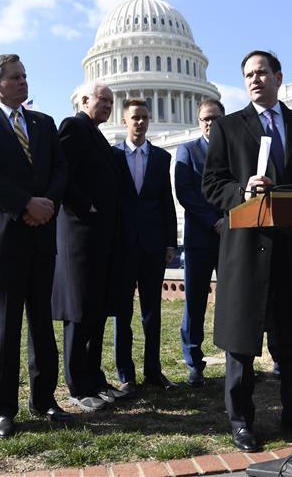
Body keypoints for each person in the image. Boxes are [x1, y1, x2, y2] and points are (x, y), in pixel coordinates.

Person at [203, 50, 292, 453]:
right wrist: (243, 189)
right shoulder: (226, 128)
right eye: (248, 75)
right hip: (247, 249)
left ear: (278, 76)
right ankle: (241, 420)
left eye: (261, 73)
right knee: (241, 343)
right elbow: (212, 185)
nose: (255, 80)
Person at [0, 54, 71, 438]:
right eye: (15, 77)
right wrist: (26, 203)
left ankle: (45, 400)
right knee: (3, 328)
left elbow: (60, 170)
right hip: (3, 238)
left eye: (25, 76)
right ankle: (2, 409)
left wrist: (47, 204)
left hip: (42, 235)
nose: (24, 82)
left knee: (42, 324)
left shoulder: (44, 123)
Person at [52, 82, 126, 412]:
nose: (109, 105)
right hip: (79, 234)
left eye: (111, 101)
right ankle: (76, 386)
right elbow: (61, 175)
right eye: (103, 100)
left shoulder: (97, 134)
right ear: (84, 100)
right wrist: (87, 207)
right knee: (79, 312)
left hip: (101, 236)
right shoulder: (72, 126)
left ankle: (95, 378)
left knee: (96, 311)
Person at [112, 99, 179, 392]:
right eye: (135, 117)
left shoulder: (162, 158)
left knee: (152, 312)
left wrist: (170, 242)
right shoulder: (112, 156)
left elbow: (167, 201)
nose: (140, 122)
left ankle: (153, 370)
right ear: (125, 121)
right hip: (124, 245)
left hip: (153, 244)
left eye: (144, 118)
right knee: (122, 313)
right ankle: (125, 374)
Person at [175, 98, 225, 388]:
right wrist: (213, 220)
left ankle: (235, 356)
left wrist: (227, 221)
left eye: (216, 118)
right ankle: (194, 362)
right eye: (206, 118)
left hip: (231, 234)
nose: (210, 123)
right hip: (199, 238)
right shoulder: (187, 150)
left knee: (231, 300)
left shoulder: (232, 152)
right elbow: (185, 192)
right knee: (194, 302)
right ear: (199, 121)